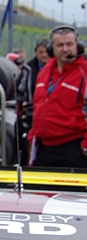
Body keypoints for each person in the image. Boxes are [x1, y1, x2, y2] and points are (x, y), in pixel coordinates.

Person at [28, 25, 87, 168]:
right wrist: (32, 136)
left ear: (77, 46)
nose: (65, 49)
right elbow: (38, 106)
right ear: (51, 48)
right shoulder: (44, 72)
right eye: (60, 45)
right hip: (43, 148)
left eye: (69, 44)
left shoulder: (84, 73)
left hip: (74, 148)